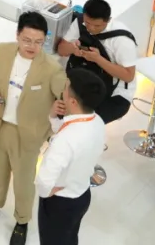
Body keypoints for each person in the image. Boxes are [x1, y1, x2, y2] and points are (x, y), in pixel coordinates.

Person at [0, 11, 67, 245]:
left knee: (23, 182)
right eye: (27, 40)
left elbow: (65, 99)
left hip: (29, 134)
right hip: (2, 125)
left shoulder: (52, 68)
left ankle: (22, 221)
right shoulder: (3, 51)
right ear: (17, 35)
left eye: (38, 42)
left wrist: (57, 114)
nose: (32, 46)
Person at [36, 69, 107, 245]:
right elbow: (68, 132)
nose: (63, 91)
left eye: (66, 87)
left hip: (60, 203)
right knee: (69, 237)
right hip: (82, 194)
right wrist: (53, 117)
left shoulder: (65, 140)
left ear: (73, 101)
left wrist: (46, 192)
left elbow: (44, 180)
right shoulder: (97, 121)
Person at [56, 0, 137, 125]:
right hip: (86, 82)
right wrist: (73, 49)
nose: (91, 28)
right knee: (59, 114)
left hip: (115, 93)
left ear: (108, 20)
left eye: (97, 25)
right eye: (88, 23)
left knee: (85, 123)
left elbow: (128, 76)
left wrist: (98, 59)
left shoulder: (122, 40)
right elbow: (61, 49)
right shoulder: (80, 23)